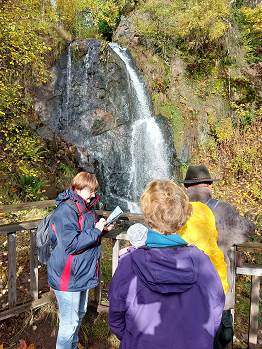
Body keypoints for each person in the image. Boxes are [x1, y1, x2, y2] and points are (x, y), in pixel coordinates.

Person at [109, 180, 225, 349]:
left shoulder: (130, 263)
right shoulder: (202, 262)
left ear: (148, 216)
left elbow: (116, 314)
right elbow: (215, 312)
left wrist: (130, 338)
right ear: (182, 217)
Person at [180, 164, 256, 349]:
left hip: (183, 287)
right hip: (217, 286)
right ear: (210, 186)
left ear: (186, 187)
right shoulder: (222, 209)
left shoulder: (178, 210)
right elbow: (247, 230)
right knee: (219, 338)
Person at [47, 171, 112, 349]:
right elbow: (71, 244)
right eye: (90, 190)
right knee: (69, 324)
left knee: (79, 315)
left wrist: (102, 228)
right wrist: (97, 231)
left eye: (94, 190)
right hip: (68, 275)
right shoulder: (65, 210)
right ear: (78, 188)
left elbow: (86, 232)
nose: (93, 194)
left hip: (81, 273)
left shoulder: (86, 207)